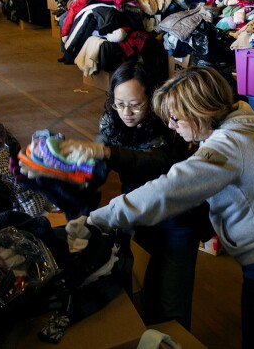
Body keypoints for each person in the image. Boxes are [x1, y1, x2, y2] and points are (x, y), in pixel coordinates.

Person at [89, 67, 254, 349]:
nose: (172, 126)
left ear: (199, 112)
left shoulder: (226, 147)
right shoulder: (241, 119)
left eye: (176, 118)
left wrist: (100, 218)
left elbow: (168, 191)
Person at [94, 60, 200, 329]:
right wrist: (66, 166)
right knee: (151, 293)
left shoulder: (171, 121)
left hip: (177, 220)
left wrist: (109, 153)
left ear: (151, 98)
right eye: (119, 104)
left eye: (135, 104)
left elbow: (157, 162)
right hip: (141, 217)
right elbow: (96, 167)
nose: (126, 113)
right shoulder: (111, 121)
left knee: (173, 307)